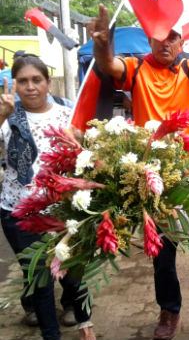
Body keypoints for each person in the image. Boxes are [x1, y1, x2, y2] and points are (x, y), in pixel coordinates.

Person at [87, 0, 189, 340]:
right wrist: (101, 41)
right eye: (158, 37)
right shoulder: (135, 70)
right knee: (163, 258)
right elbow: (107, 64)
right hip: (152, 180)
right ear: (150, 39)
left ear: (180, 43)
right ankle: (169, 312)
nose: (165, 43)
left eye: (172, 37)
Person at [0, 55, 95, 340]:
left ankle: (82, 322)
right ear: (14, 85)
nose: (30, 87)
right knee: (39, 279)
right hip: (19, 213)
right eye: (23, 81)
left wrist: (82, 140)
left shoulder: (69, 114)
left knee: (73, 272)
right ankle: (49, 333)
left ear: (48, 83)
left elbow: (88, 159)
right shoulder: (7, 117)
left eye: (36, 80)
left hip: (64, 212)